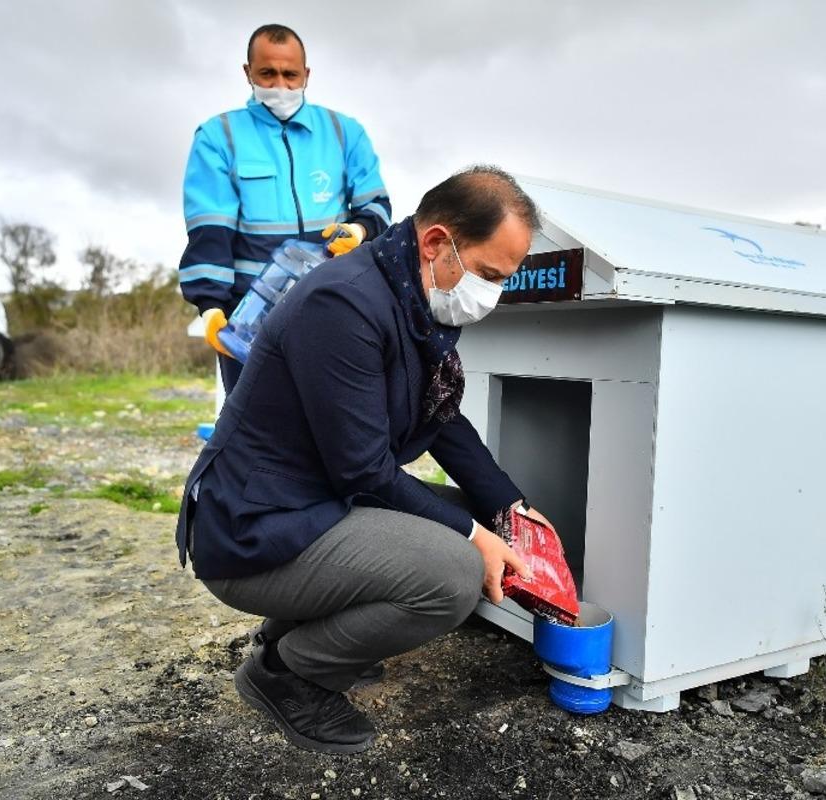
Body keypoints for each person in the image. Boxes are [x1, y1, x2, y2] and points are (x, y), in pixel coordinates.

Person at [175, 166, 556, 754]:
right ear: (437, 242)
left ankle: (299, 631)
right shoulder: (343, 304)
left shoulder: (408, 297)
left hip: (312, 505)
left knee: (472, 519)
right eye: (488, 275)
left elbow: (440, 417)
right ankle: (288, 674)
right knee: (454, 573)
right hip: (254, 528)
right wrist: (476, 536)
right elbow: (364, 470)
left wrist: (510, 507)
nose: (492, 295)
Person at [178, 23, 391, 390]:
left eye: (290, 75)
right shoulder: (219, 136)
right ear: (248, 72)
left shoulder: (344, 133)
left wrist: (358, 231)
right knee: (254, 418)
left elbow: (377, 206)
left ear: (306, 75)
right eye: (268, 73)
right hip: (250, 316)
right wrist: (211, 306)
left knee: (332, 412)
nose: (280, 85)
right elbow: (210, 230)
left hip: (332, 305)